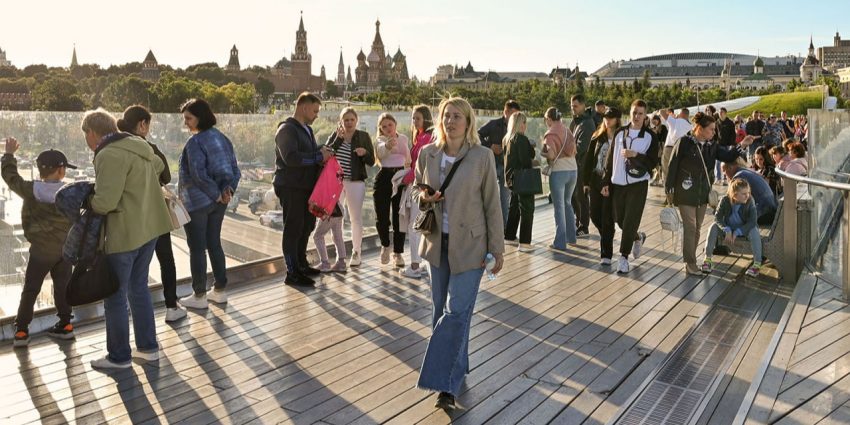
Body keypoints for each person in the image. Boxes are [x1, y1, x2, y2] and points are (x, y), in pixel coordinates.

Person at [415, 97, 504, 410]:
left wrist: (497, 249)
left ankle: (445, 385)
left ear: (468, 122)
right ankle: (456, 365)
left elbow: (493, 204)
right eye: (446, 115)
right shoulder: (428, 153)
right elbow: (417, 189)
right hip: (437, 244)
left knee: (456, 312)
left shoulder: (481, 157)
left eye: (457, 116)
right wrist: (426, 197)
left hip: (471, 246)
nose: (450, 121)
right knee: (441, 311)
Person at [81, 109, 172, 369]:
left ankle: (119, 356)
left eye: (86, 136)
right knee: (139, 288)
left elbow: (106, 202)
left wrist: (87, 199)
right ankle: (148, 347)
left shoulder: (108, 154)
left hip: (125, 233)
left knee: (115, 294)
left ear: (92, 132)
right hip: (150, 227)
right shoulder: (139, 146)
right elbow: (158, 167)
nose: (87, 143)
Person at [116, 105, 185, 323]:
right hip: (154, 211)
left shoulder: (115, 146)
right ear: (142, 125)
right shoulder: (148, 148)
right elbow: (166, 176)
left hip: (128, 216)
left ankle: (132, 311)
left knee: (136, 268)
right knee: (165, 259)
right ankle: (171, 306)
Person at [4, 138, 74, 347]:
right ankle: (65, 325)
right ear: (61, 171)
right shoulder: (71, 192)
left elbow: (10, 177)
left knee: (31, 288)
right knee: (63, 288)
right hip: (64, 249)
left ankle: (22, 332)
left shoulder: (30, 189)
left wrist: (9, 155)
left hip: (41, 250)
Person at [666, 112, 754, 274]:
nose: (714, 133)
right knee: (690, 227)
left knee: (697, 227)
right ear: (699, 128)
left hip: (702, 192)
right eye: (711, 129)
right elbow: (673, 165)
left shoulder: (711, 146)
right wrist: (669, 189)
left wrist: (743, 144)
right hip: (685, 191)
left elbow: (728, 156)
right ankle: (690, 263)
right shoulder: (684, 142)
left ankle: (691, 260)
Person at [177, 99, 241, 309]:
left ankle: (199, 295)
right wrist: (227, 192)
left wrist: (215, 194)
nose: (186, 122)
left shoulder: (195, 143)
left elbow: (198, 175)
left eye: (189, 118)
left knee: (197, 248)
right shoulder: (223, 139)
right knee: (214, 243)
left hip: (198, 202)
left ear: (200, 117)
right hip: (219, 202)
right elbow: (235, 170)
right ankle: (220, 290)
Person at [274, 92, 331, 287]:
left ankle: (301, 264)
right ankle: (292, 272)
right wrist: (318, 157)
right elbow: (291, 158)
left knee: (306, 226)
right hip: (291, 186)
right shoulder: (286, 129)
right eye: (315, 111)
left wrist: (322, 152)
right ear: (304, 107)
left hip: (306, 187)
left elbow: (308, 155)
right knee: (293, 229)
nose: (317, 115)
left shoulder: (307, 129)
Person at [601, 99, 659, 274]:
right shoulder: (620, 133)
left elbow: (652, 163)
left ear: (645, 115)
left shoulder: (650, 136)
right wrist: (605, 181)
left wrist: (636, 155)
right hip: (618, 183)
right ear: (630, 112)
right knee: (619, 219)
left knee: (631, 220)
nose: (637, 116)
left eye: (641, 113)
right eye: (634, 112)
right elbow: (609, 159)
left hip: (638, 184)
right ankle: (637, 237)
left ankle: (623, 257)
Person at [324, 107, 374, 267]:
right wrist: (338, 139)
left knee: (355, 218)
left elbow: (372, 161)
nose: (349, 122)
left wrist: (364, 153)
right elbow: (327, 154)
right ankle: (340, 255)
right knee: (336, 219)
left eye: (352, 119)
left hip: (355, 182)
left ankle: (356, 252)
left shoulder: (363, 136)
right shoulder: (336, 135)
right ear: (341, 121)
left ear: (356, 120)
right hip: (336, 182)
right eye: (346, 120)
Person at [702, 179, 763, 277]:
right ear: (734, 195)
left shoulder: (750, 201)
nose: (747, 195)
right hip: (728, 227)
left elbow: (752, 221)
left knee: (754, 231)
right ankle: (707, 259)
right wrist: (727, 230)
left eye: (748, 192)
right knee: (713, 227)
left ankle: (757, 264)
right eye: (743, 193)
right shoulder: (725, 200)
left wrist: (738, 232)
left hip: (744, 228)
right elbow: (717, 217)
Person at [400, 105, 434, 278]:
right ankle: (423, 264)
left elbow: (419, 167)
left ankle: (414, 266)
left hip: (419, 187)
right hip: (423, 187)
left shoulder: (425, 138)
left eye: (418, 118)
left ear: (425, 119)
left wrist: (403, 179)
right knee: (422, 226)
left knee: (414, 226)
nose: (414, 121)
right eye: (413, 118)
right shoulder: (423, 136)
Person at [583, 107, 620, 265]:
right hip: (596, 179)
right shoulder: (597, 136)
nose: (607, 120)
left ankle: (606, 254)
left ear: (617, 119)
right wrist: (585, 182)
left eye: (610, 117)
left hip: (613, 182)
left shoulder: (621, 137)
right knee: (594, 215)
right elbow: (589, 159)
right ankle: (608, 233)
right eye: (605, 117)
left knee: (607, 217)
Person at [374, 113, 410, 267]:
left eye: (390, 124)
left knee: (399, 216)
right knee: (382, 215)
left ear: (395, 124)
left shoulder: (403, 138)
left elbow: (408, 158)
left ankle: (398, 253)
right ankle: (385, 245)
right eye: (384, 126)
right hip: (384, 178)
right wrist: (388, 146)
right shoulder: (379, 140)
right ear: (380, 129)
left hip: (401, 177)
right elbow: (381, 152)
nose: (387, 128)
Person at [478, 100, 520, 226]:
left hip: (507, 167)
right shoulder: (493, 124)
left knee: (505, 199)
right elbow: (477, 134)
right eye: (514, 114)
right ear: (506, 112)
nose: (515, 118)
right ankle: (487, 225)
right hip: (491, 166)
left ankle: (505, 228)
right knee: (487, 196)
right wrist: (490, 146)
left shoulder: (516, 127)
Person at [542, 107, 578, 251]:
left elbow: (551, 155)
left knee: (559, 207)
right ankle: (572, 237)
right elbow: (574, 150)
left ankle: (560, 242)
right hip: (573, 170)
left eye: (546, 120)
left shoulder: (550, 133)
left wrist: (543, 153)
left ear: (549, 119)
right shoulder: (568, 130)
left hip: (559, 172)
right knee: (568, 203)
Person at [503, 111, 536, 251]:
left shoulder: (508, 139)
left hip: (511, 178)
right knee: (527, 209)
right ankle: (524, 243)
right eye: (524, 122)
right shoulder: (521, 139)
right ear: (520, 124)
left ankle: (509, 236)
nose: (525, 125)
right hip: (523, 178)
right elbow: (526, 161)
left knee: (514, 207)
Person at [569, 94, 596, 237]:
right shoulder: (578, 121)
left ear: (583, 106)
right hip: (576, 164)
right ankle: (578, 222)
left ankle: (584, 227)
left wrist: (567, 153)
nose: (573, 109)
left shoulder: (586, 123)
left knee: (581, 196)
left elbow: (581, 147)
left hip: (582, 165)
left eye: (576, 106)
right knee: (575, 195)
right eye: (572, 106)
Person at [660, 108, 692, 203]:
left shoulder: (675, 121)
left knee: (666, 173)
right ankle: (678, 196)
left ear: (681, 114)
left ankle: (669, 198)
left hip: (670, 148)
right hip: (681, 150)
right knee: (678, 173)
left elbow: (661, 112)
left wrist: (670, 114)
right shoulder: (689, 125)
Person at [312, 202, 346, 272]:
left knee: (317, 236)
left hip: (328, 211)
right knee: (337, 236)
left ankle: (325, 264)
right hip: (339, 209)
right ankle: (341, 263)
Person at [649, 115, 668, 186]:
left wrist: (656, 133)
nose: (654, 122)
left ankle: (659, 180)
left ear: (658, 120)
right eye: (652, 121)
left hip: (661, 148)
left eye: (655, 120)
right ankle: (659, 179)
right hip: (655, 149)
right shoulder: (653, 128)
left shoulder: (663, 127)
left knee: (660, 164)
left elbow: (664, 137)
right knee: (657, 164)